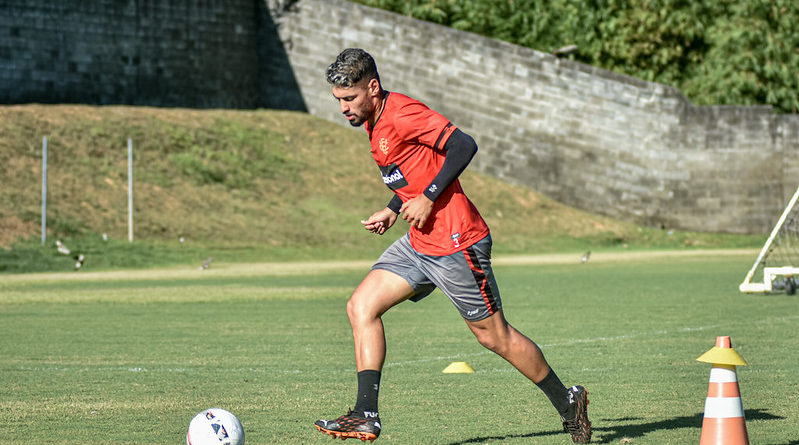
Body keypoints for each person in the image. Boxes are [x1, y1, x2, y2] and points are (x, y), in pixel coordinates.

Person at [314, 48, 592, 444]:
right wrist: (395, 208)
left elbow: (464, 145)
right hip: (419, 242)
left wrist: (427, 197)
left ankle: (568, 403)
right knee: (361, 305)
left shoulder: (404, 112)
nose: (343, 107)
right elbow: (413, 168)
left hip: (457, 241)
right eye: (338, 100)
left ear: (373, 88)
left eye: (350, 98)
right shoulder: (373, 121)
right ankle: (365, 415)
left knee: (494, 337)